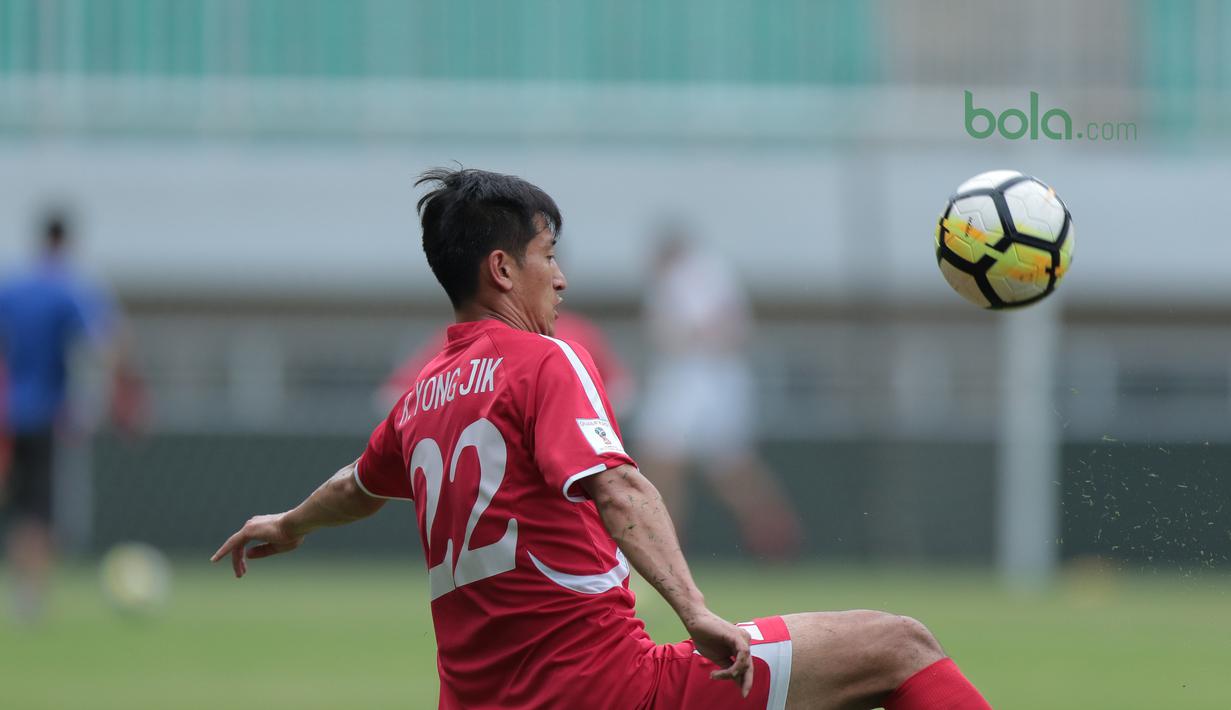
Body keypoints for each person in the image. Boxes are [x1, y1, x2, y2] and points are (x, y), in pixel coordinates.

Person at [212, 168, 991, 709]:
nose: (561, 278)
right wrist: (694, 611)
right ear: (501, 269)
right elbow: (617, 484)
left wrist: (288, 522)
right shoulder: (545, 359)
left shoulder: (421, 396)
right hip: (607, 691)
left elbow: (358, 484)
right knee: (898, 647)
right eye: (547, 255)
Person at [0, 211, 141, 623]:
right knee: (38, 509)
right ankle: (30, 599)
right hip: (42, 414)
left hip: (7, 412)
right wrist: (123, 397)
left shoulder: (12, 286)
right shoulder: (68, 288)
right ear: (68, 242)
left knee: (16, 501)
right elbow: (108, 341)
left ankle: (24, 593)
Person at [637, 227, 803, 560]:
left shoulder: (695, 274)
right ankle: (665, 551)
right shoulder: (686, 277)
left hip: (703, 378)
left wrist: (687, 339)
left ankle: (664, 552)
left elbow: (719, 328)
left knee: (682, 465)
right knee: (700, 467)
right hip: (698, 378)